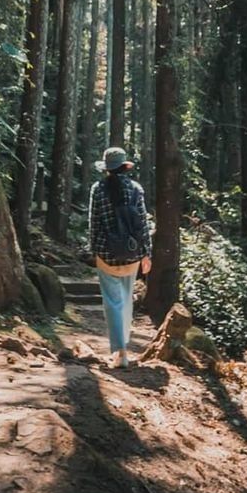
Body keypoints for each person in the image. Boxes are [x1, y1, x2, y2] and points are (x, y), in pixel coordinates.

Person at [87, 146, 152, 368]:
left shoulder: (98, 189)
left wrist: (94, 249)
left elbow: (94, 223)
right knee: (126, 302)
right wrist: (146, 254)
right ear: (125, 167)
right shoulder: (136, 189)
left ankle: (119, 352)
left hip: (106, 255)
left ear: (106, 168)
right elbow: (143, 225)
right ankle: (124, 347)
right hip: (132, 254)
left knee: (111, 303)